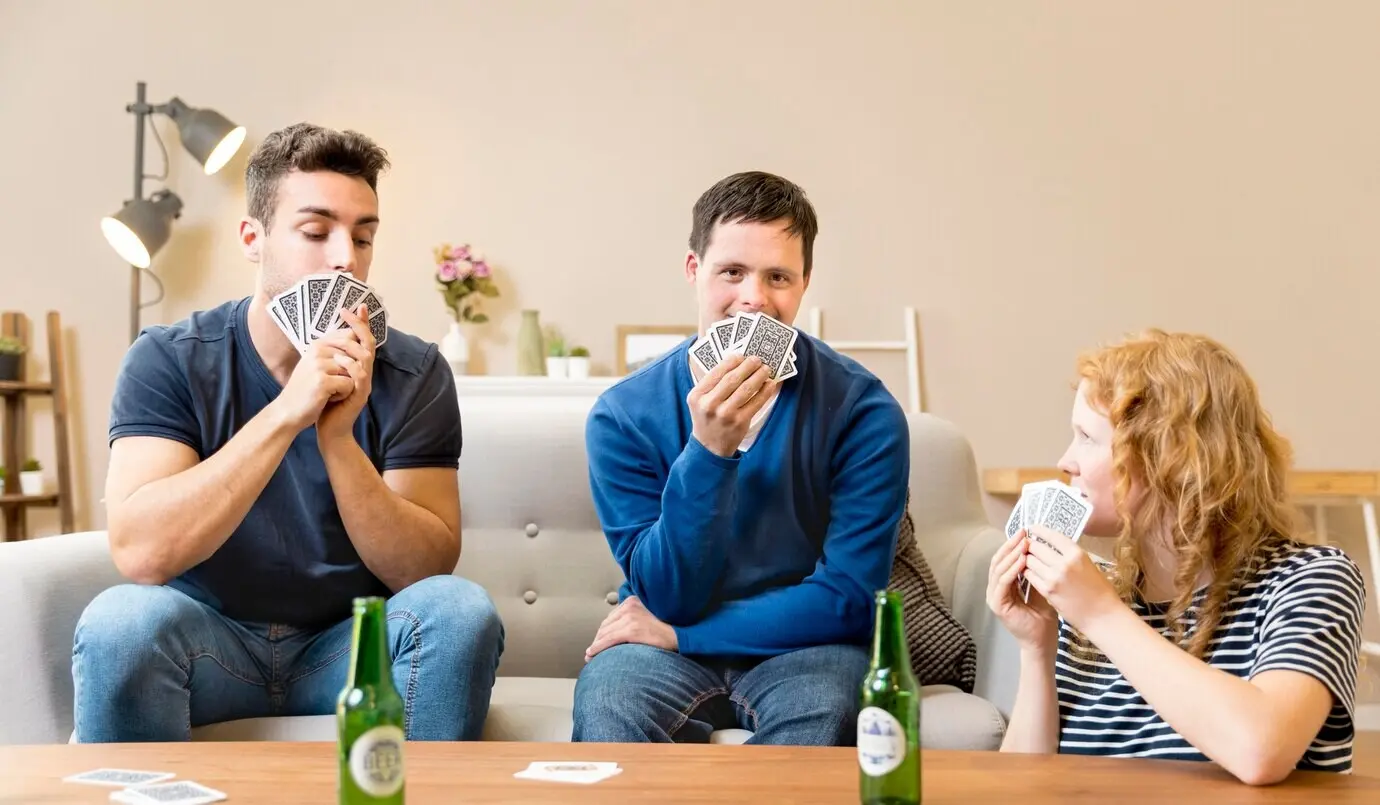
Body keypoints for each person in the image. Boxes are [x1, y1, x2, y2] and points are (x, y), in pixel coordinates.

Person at [72, 123, 504, 742]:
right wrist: (285, 414)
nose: (345, 259)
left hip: (349, 649)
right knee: (121, 622)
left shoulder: (414, 372)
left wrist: (337, 440)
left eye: (363, 237)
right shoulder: (168, 358)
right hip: (206, 642)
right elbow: (142, 553)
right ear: (254, 238)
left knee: (459, 612)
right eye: (316, 231)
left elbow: (426, 570)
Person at [572, 170, 911, 744]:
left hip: (806, 647)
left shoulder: (863, 412)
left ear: (804, 283)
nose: (754, 298)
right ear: (693, 272)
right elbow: (665, 593)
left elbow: (851, 600)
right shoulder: (624, 415)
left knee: (827, 714)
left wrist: (682, 635)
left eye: (777, 275)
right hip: (660, 641)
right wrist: (709, 450)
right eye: (732, 271)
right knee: (610, 702)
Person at [988, 329, 1366, 784]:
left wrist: (1100, 614)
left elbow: (1261, 751)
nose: (1065, 460)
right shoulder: (1090, 595)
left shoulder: (1313, 579)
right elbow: (1019, 786)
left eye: (1087, 437)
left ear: (1169, 455)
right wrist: (1037, 649)